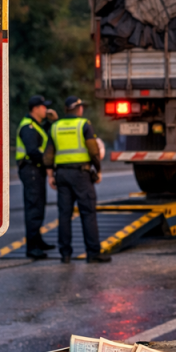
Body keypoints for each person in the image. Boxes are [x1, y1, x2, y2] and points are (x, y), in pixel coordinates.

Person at [49, 96, 111, 264]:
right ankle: (93, 254)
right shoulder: (84, 124)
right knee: (88, 213)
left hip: (61, 174)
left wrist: (50, 175)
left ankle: (65, 255)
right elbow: (93, 149)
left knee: (64, 215)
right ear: (79, 109)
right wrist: (97, 170)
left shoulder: (55, 126)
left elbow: (49, 152)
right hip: (81, 175)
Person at [16, 95, 57, 259]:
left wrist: (52, 121)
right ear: (35, 109)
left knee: (39, 206)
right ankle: (32, 247)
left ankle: (37, 241)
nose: (46, 110)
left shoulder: (36, 126)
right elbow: (33, 151)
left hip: (35, 170)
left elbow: (45, 137)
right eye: (43, 107)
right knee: (34, 208)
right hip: (31, 169)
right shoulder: (28, 128)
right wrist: (49, 165)